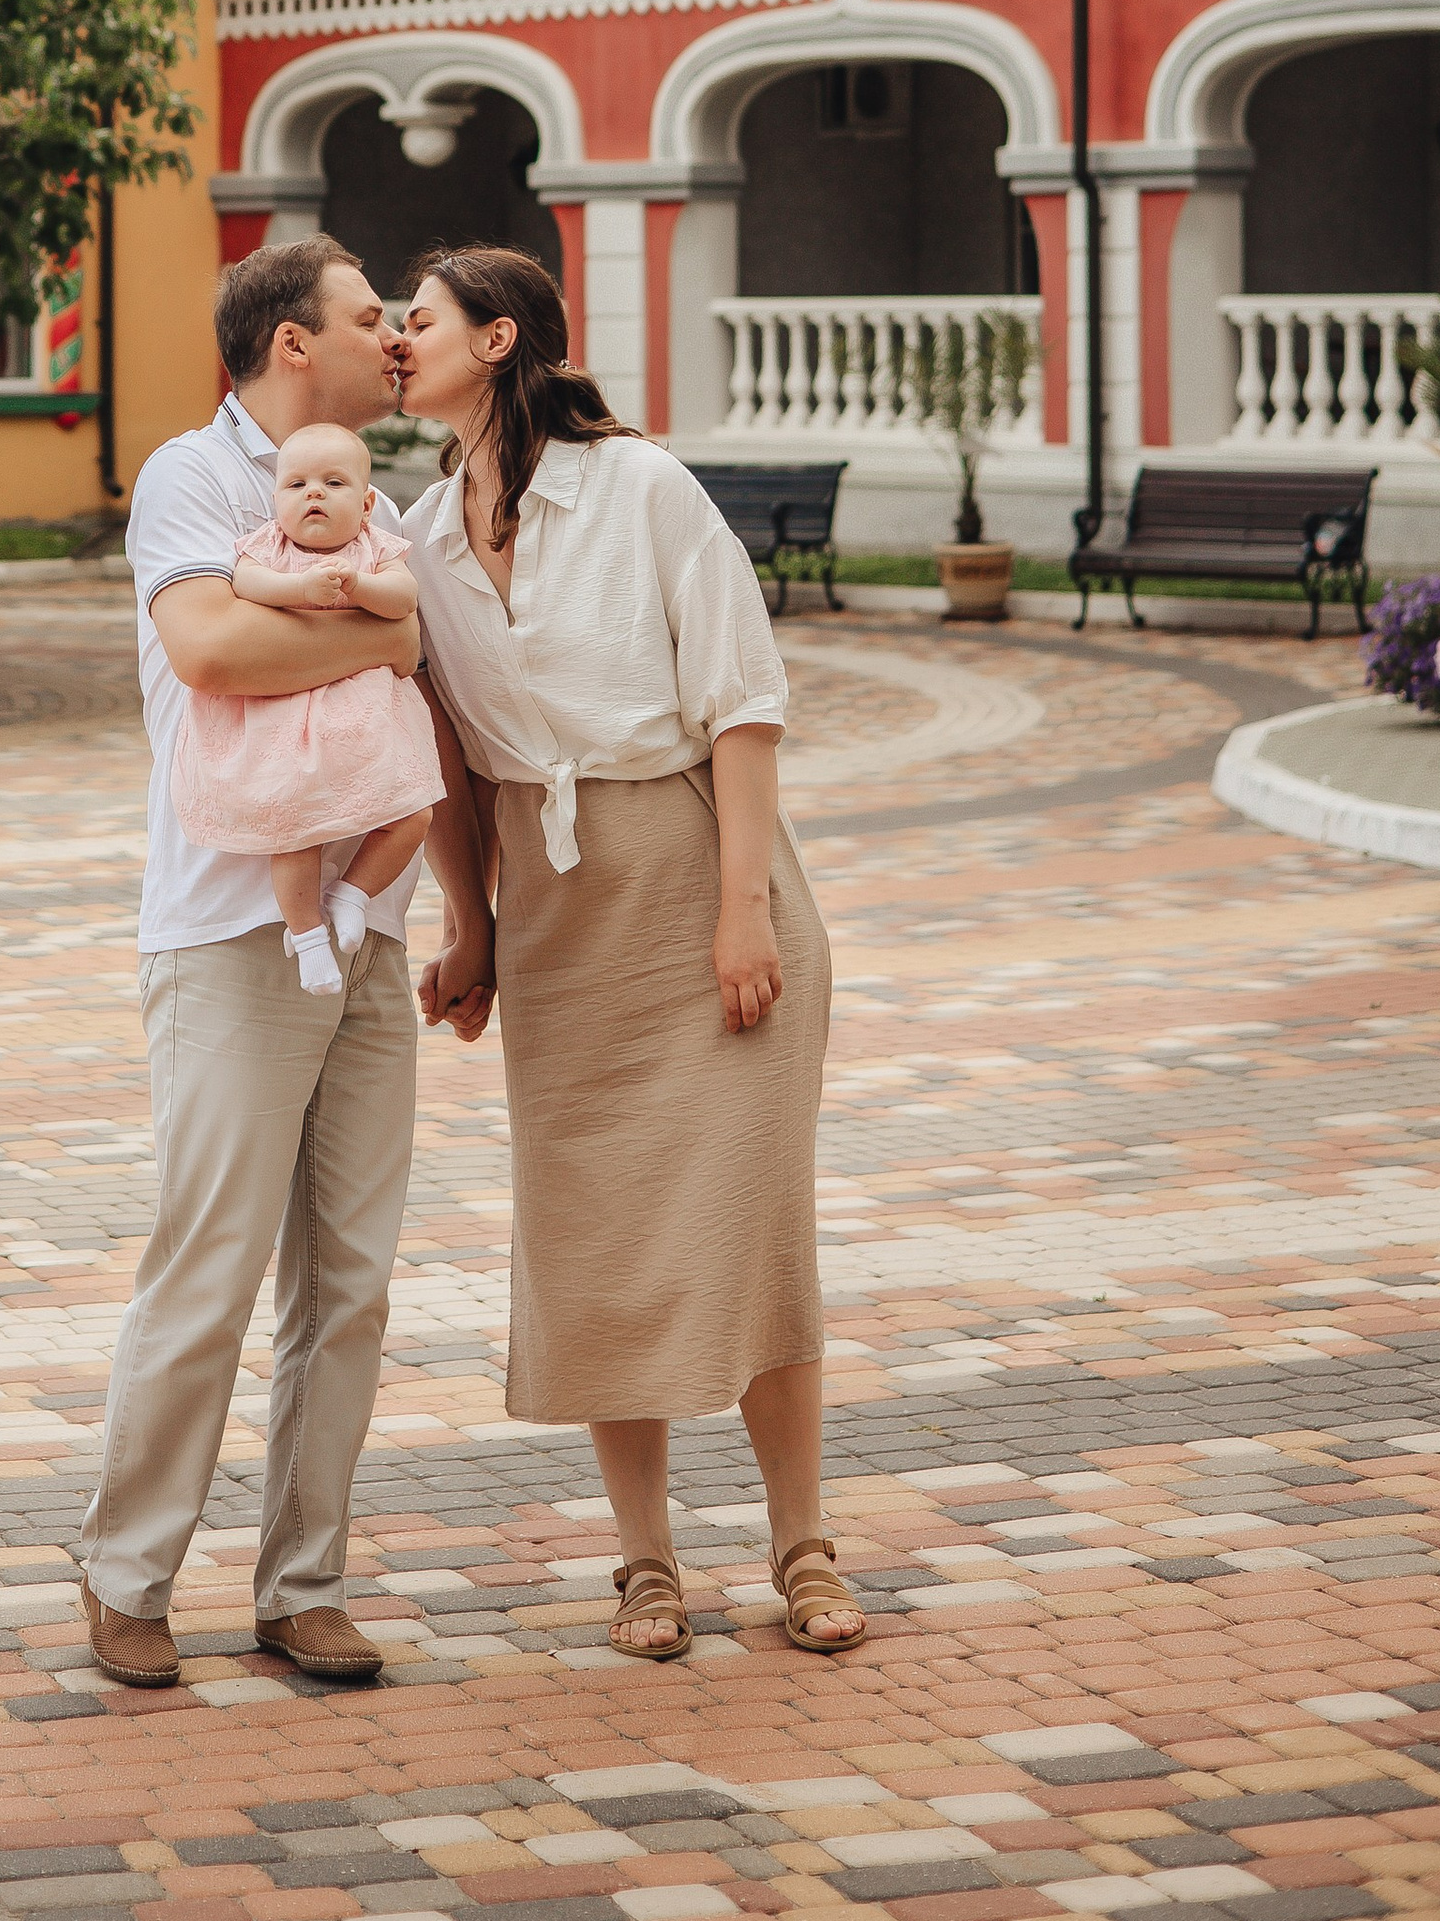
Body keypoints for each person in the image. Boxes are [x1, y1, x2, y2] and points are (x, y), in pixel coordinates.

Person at [400, 244, 865, 1665]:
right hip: (554, 916)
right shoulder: (417, 538)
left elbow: (742, 704)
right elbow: (455, 766)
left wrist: (743, 909)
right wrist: (471, 925)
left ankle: (802, 1546)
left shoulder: (644, 489)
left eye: (416, 325)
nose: (398, 345)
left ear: (497, 339)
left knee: (751, 1230)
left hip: (693, 873)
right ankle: (645, 1564)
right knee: (594, 1234)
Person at [76, 237, 482, 1691]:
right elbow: (210, 653)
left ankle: (303, 1583)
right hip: (229, 928)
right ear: (292, 342)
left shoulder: (386, 496)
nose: (392, 338)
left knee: (352, 1282)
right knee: (213, 1264)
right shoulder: (192, 476)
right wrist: (380, 633)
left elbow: (416, 661)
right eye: (369, 316)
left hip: (367, 930)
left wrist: (379, 630)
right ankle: (127, 1576)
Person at [176, 420, 442, 993]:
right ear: (276, 502)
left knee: (415, 810)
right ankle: (306, 936)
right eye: (295, 484)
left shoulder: (374, 549)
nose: (312, 493)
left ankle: (353, 893)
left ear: (367, 503)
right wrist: (300, 590)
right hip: (288, 720)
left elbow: (404, 598)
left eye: (333, 482)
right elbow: (246, 584)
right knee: (294, 830)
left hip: (362, 721)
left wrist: (357, 587)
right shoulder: (268, 549)